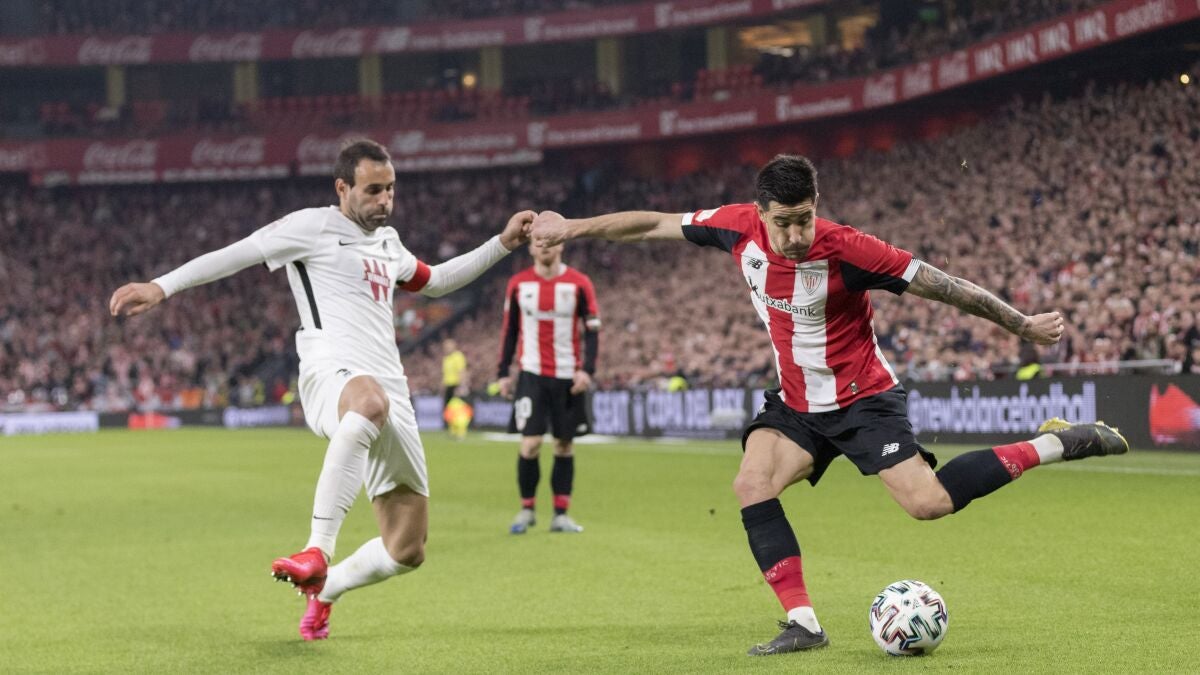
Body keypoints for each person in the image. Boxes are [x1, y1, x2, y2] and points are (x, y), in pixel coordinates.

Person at [529, 154, 1128, 656]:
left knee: (928, 504)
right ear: (761, 212)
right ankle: (804, 624)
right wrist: (573, 227)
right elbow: (652, 225)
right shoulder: (735, 227)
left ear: (817, 205)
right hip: (797, 405)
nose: (796, 235)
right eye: (784, 222)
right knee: (751, 483)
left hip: (865, 399)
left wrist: (1020, 323)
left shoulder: (850, 249)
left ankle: (1058, 442)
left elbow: (947, 287)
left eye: (805, 219)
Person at [109, 139, 534, 641]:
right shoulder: (310, 227)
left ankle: (328, 587)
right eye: (373, 190)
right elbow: (236, 254)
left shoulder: (389, 242)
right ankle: (317, 549)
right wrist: (161, 286)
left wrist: (502, 243)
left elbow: (436, 280)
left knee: (407, 549)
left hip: (390, 390)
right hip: (329, 373)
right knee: (368, 400)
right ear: (342, 188)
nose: (385, 199)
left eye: (390, 189)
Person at [496, 238, 601, 535]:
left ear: (561, 245)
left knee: (564, 445)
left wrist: (587, 370)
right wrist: (503, 372)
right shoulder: (518, 284)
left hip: (568, 376)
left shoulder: (579, 283)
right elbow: (509, 330)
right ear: (530, 248)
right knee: (530, 444)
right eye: (538, 242)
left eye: (550, 241)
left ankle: (561, 514)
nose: (544, 247)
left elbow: (593, 330)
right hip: (531, 374)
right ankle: (527, 509)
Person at [441, 338, 468, 409]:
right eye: (445, 346)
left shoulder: (458, 356)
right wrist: (443, 387)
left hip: (455, 385)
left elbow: (462, 371)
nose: (447, 348)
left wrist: (461, 386)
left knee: (457, 408)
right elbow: (445, 374)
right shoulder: (446, 359)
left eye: (448, 346)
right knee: (447, 408)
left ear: (454, 346)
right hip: (448, 386)